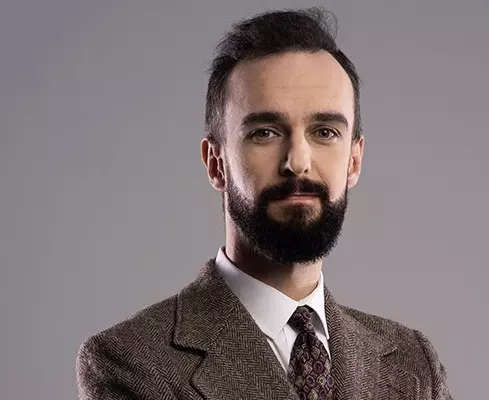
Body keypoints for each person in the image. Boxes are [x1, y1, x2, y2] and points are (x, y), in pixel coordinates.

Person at [76, 7, 453, 400]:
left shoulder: (411, 363)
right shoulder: (131, 361)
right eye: (265, 133)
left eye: (325, 132)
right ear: (216, 162)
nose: (298, 161)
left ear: (354, 161)